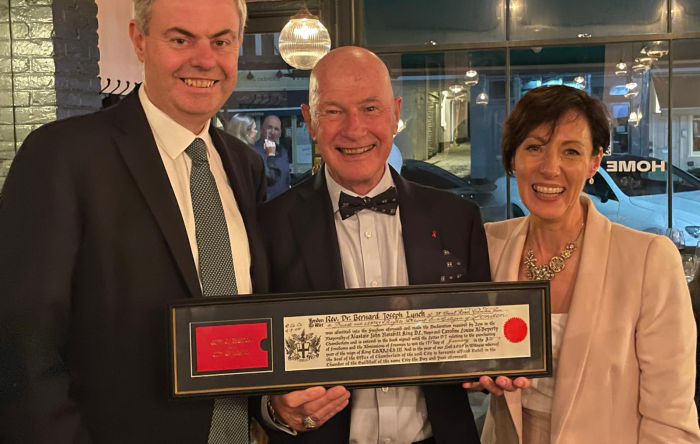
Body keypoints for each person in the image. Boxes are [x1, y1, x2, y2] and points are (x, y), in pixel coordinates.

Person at [0, 0, 269, 443]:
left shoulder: (245, 166)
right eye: (181, 38)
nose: (204, 59)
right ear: (140, 39)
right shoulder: (62, 156)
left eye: (221, 41)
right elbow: (22, 344)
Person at [257, 46, 528, 444]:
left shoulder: (458, 218)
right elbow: (251, 359)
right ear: (310, 121)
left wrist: (493, 367)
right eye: (333, 111)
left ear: (396, 112)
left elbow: (478, 344)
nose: (354, 129)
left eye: (370, 108)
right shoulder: (267, 227)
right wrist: (275, 410)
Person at [478, 85, 700, 443]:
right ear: (512, 159)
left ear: (594, 162)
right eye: (534, 148)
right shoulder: (488, 244)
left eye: (570, 151)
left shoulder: (649, 260)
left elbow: (671, 419)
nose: (550, 168)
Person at [254, 115, 291, 200]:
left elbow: (286, 179)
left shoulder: (283, 152)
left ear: (280, 133)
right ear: (261, 129)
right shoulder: (253, 151)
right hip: (264, 206)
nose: (272, 132)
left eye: (276, 129)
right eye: (269, 128)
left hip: (283, 203)